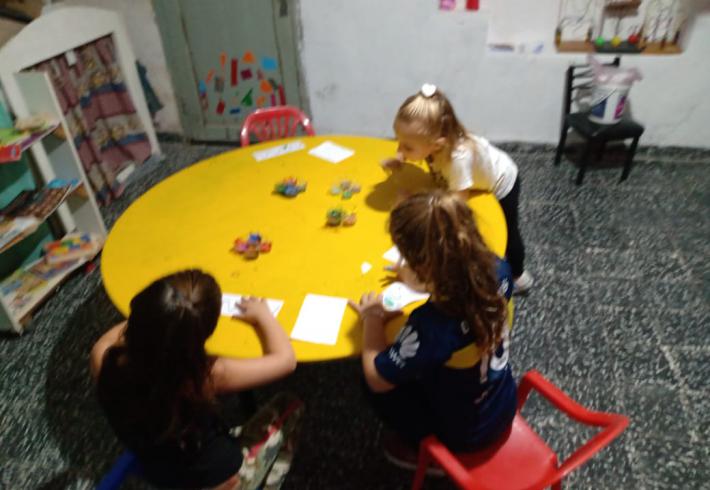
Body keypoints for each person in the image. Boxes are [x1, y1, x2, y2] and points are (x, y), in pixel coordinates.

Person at [90, 269, 302, 490]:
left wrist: (161, 316)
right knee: (290, 404)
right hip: (223, 481)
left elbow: (131, 330)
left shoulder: (102, 358)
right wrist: (263, 315)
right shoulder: (202, 376)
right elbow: (286, 360)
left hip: (159, 467)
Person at [349, 191, 516, 470]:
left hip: (466, 432)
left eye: (405, 259)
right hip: (501, 402)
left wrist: (372, 318)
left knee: (369, 384)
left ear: (425, 269)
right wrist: (418, 279)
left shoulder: (431, 327)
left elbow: (377, 378)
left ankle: (428, 455)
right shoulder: (499, 268)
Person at [382, 83, 533, 293]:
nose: (400, 148)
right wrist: (402, 157)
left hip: (503, 181)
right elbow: (419, 149)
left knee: (509, 231)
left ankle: (519, 276)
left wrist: (413, 204)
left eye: (407, 147)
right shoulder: (436, 143)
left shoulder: (457, 160)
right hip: (473, 175)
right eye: (398, 141)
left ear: (437, 145)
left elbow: (456, 204)